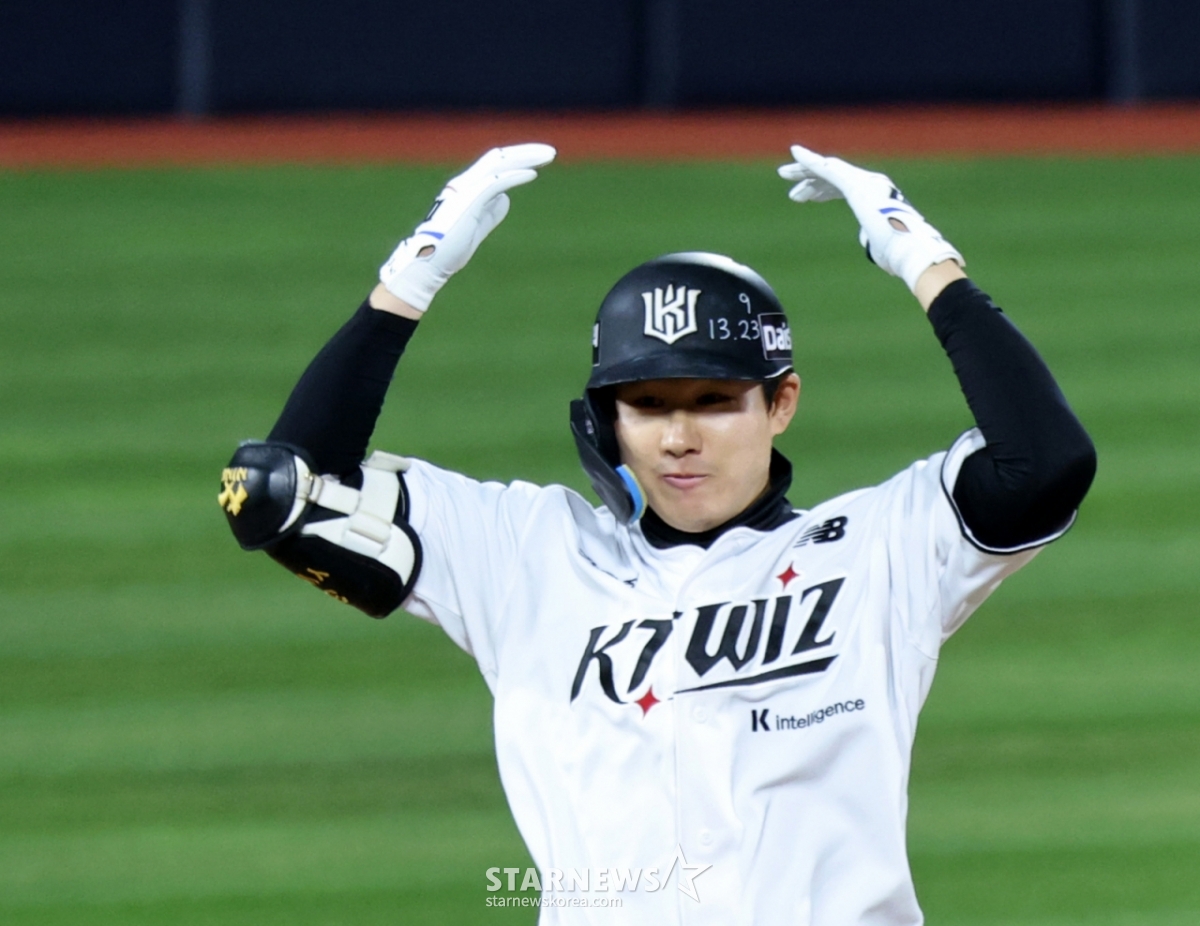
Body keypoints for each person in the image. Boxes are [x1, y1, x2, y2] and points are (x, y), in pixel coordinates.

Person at [218, 143, 1096, 924]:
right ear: (608, 418)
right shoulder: (523, 552)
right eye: (648, 404)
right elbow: (279, 485)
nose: (680, 437)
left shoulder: (880, 549)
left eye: (715, 402)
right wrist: (408, 282)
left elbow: (1045, 462)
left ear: (780, 402)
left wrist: (924, 259)